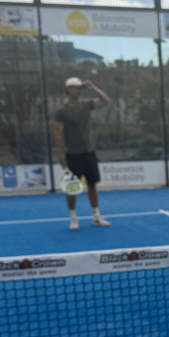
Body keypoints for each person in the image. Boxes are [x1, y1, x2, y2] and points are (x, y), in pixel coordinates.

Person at [53, 76, 111, 230]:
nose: (78, 91)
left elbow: (106, 100)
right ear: (67, 91)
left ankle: (96, 216)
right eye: (74, 88)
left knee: (92, 185)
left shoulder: (87, 105)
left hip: (89, 152)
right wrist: (61, 156)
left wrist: (91, 86)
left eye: (79, 88)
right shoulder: (62, 112)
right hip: (73, 154)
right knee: (71, 187)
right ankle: (73, 218)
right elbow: (58, 134)